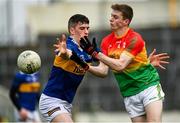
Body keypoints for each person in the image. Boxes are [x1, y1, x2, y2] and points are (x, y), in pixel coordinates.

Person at [39, 14, 169, 123]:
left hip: (66, 104)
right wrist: (64, 52)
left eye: (87, 28)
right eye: (82, 28)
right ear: (72, 30)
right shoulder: (68, 46)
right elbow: (66, 54)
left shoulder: (88, 50)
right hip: (51, 101)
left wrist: (145, 65)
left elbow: (103, 71)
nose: (86, 31)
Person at [79, 4, 169, 122]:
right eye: (111, 16)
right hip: (129, 93)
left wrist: (96, 54)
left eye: (115, 17)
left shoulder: (134, 38)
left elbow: (120, 65)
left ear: (126, 21)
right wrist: (84, 65)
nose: (111, 19)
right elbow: (103, 71)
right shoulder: (106, 42)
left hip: (148, 86)